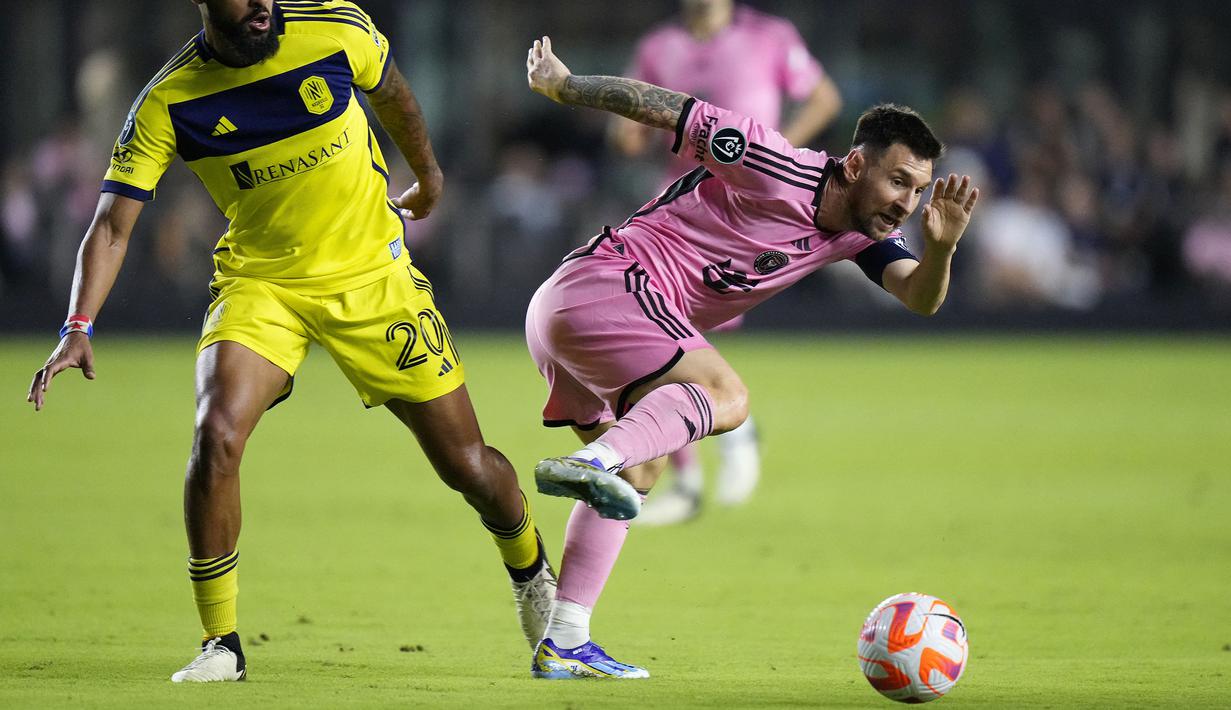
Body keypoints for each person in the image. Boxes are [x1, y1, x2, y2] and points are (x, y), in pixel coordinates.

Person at [26, 0, 557, 683]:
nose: (261, 5)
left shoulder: (336, 29)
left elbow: (393, 93)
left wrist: (427, 175)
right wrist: (77, 326)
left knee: (466, 466)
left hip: (373, 277)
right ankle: (222, 642)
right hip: (262, 283)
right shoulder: (168, 99)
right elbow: (111, 225)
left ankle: (531, 571)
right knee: (215, 433)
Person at [523, 37, 979, 679]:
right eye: (898, 180)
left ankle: (565, 638)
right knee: (728, 397)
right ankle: (590, 459)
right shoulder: (774, 161)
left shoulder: (857, 232)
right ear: (855, 165)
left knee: (641, 474)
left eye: (919, 190)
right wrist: (566, 88)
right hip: (609, 284)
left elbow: (919, 297)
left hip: (567, 315)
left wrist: (942, 249)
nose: (907, 202)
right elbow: (667, 107)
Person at [610, 0, 844, 525]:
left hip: (750, 208)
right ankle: (693, 474)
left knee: (675, 332)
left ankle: (730, 428)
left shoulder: (771, 35)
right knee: (658, 331)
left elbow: (824, 98)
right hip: (682, 201)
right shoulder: (657, 46)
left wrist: (781, 157)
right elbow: (631, 121)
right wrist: (625, 133)